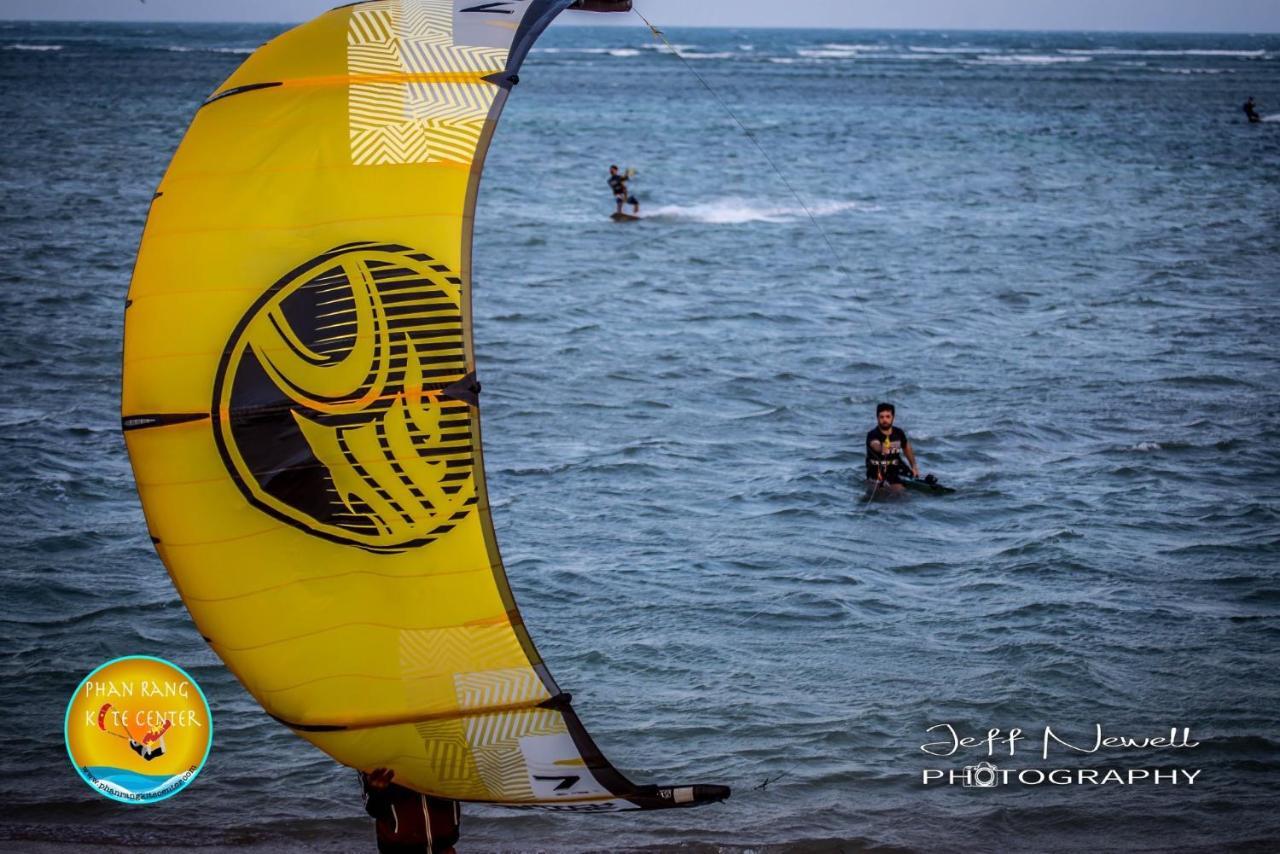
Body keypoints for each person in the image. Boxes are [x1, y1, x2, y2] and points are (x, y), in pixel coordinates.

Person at [359, 768, 460, 854]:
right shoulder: (373, 752)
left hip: (445, 845)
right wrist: (377, 790)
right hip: (398, 848)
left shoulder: (444, 749)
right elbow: (373, 809)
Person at [865, 402, 919, 493]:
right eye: (881, 417)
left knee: (905, 490)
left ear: (893, 417)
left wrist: (914, 466)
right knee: (894, 492)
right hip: (876, 470)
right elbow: (874, 444)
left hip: (895, 468)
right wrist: (881, 448)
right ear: (877, 418)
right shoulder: (872, 434)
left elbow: (906, 447)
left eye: (887, 416)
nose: (884, 420)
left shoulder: (899, 433)